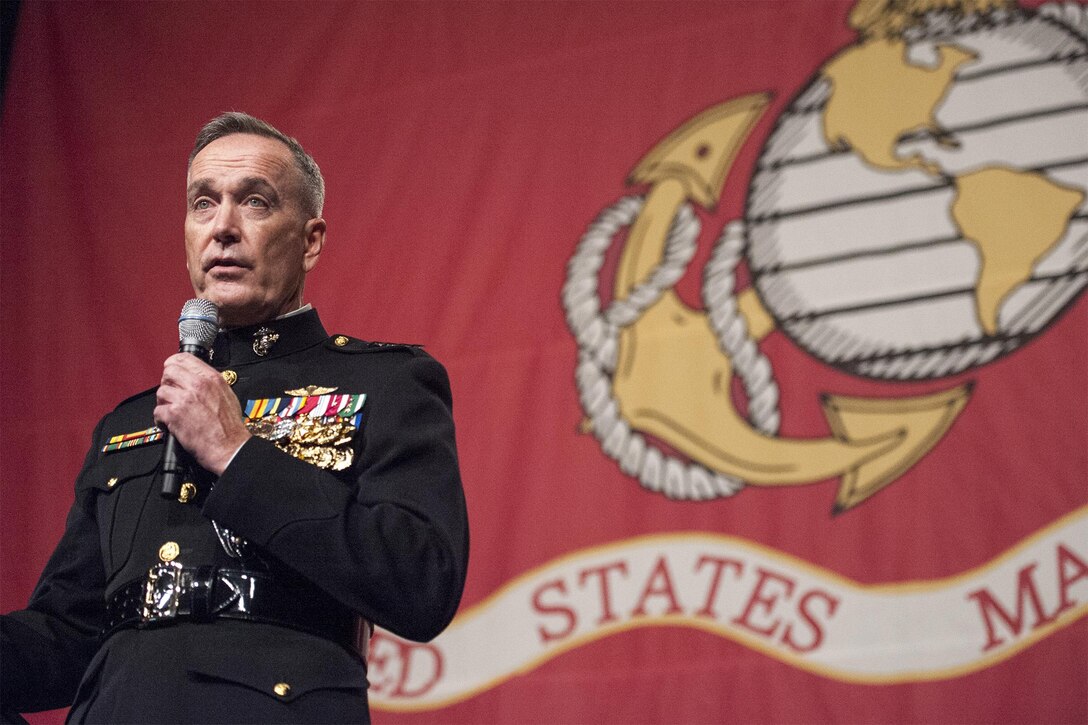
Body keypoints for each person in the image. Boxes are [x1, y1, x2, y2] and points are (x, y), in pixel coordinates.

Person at [0, 112, 469, 723]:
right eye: (203, 204)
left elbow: (421, 584)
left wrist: (236, 452)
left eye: (254, 202)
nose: (223, 227)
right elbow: (67, 634)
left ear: (310, 240)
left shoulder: (385, 382)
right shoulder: (128, 423)